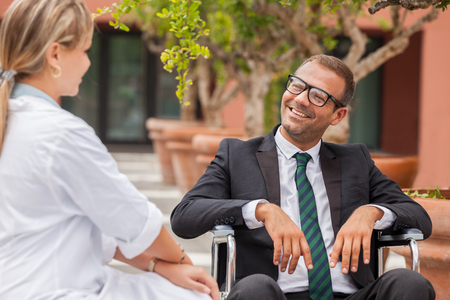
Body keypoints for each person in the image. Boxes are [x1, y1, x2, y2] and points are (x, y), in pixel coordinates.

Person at [0, 0, 219, 299]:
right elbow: (136, 223)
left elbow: (97, 230)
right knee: (197, 294)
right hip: (54, 290)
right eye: (85, 49)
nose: (88, 62)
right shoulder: (61, 134)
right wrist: (184, 264)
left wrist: (158, 266)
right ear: (55, 55)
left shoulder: (14, 122)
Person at [171, 54, 435, 300]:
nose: (300, 99)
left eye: (318, 96)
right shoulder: (237, 156)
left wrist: (372, 213)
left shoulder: (355, 161)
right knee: (255, 289)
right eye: (297, 85)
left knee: (410, 283)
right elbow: (184, 216)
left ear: (338, 115)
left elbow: (419, 217)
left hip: (349, 294)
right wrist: (261, 211)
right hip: (273, 294)